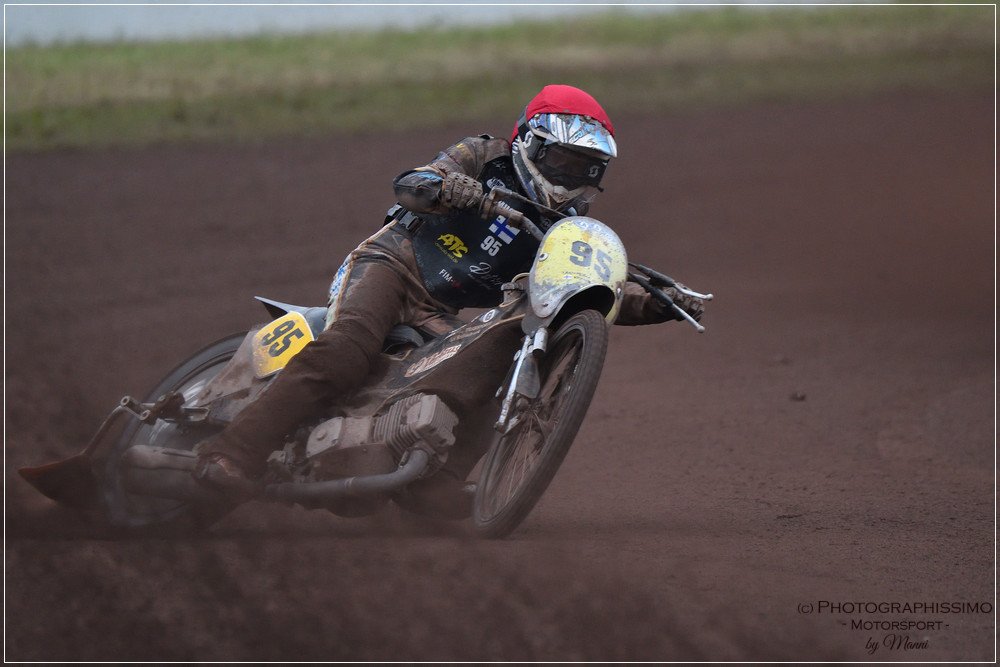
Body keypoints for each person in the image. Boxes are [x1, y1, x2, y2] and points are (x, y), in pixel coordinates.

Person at [193, 84, 704, 509]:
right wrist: (449, 189)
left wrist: (654, 303)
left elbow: (580, 293)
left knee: (493, 367)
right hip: (393, 264)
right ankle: (233, 452)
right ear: (529, 141)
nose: (571, 175)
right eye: (563, 159)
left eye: (585, 167)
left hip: (439, 310)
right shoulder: (483, 156)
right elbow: (411, 183)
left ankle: (430, 483)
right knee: (347, 351)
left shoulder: (565, 229)